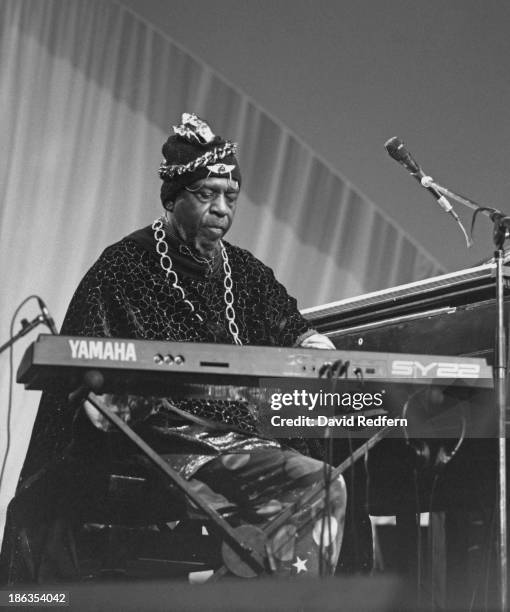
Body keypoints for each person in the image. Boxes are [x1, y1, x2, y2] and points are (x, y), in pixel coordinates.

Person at [2, 113, 346, 582]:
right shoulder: (124, 264)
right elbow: (91, 381)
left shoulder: (245, 271)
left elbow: (293, 327)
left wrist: (319, 347)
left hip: (245, 438)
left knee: (324, 483)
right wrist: (109, 399)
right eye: (207, 194)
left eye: (230, 197)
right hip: (164, 441)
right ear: (173, 198)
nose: (222, 208)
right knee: (298, 491)